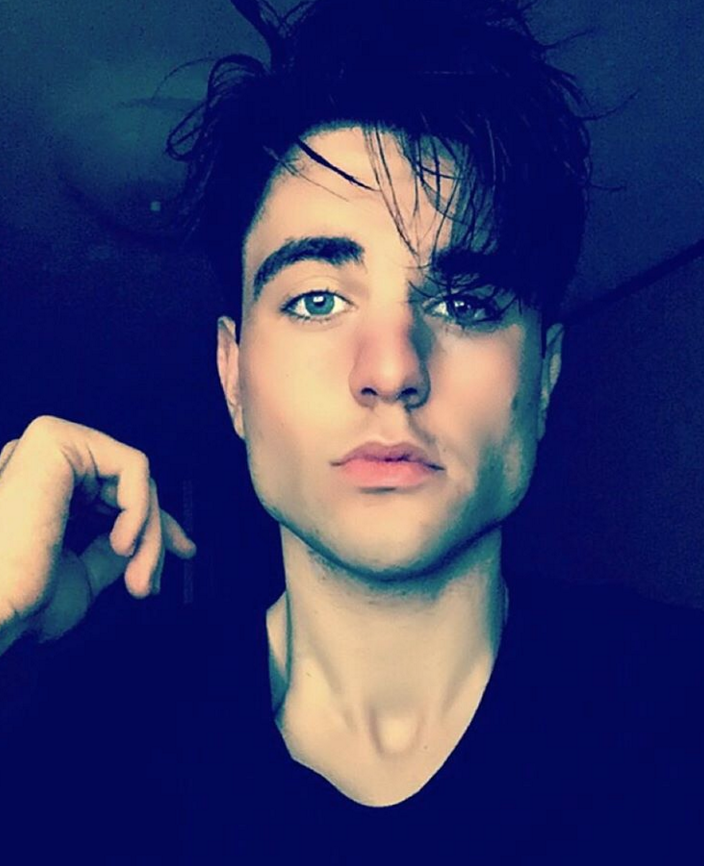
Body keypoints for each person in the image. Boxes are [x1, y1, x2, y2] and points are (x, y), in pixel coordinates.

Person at [0, 0, 702, 862]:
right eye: (316, 301)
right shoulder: (90, 749)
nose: (392, 367)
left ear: (545, 377)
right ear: (233, 377)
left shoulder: (682, 716)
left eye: (465, 302)